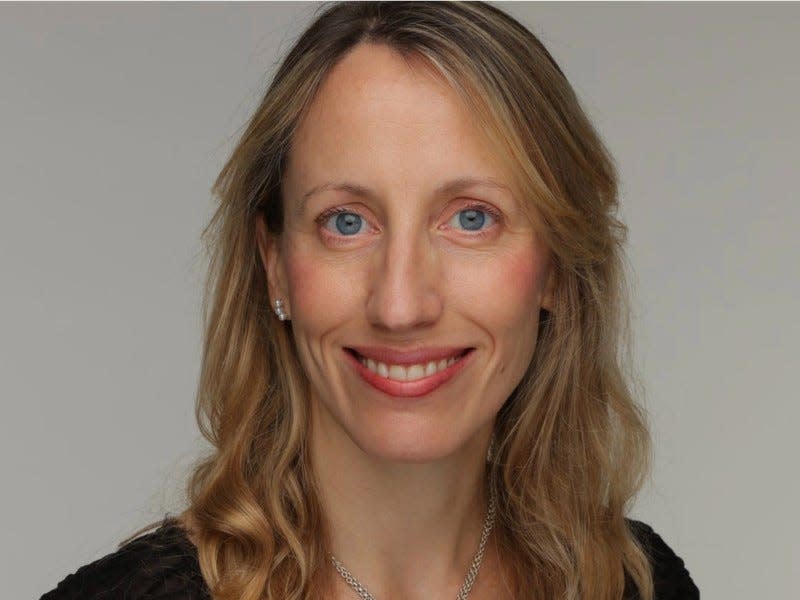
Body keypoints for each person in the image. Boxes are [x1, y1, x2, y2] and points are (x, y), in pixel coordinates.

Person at [41, 2, 699, 599]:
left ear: (555, 263)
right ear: (274, 265)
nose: (400, 304)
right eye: (347, 222)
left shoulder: (636, 586)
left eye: (471, 219)